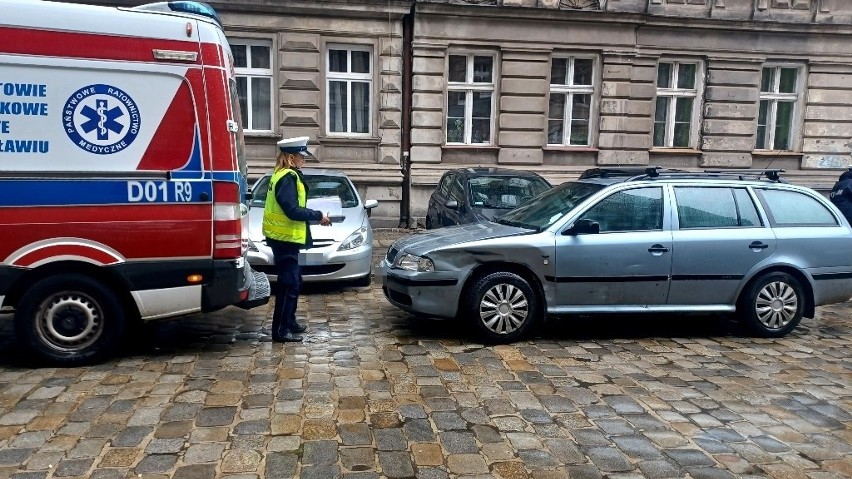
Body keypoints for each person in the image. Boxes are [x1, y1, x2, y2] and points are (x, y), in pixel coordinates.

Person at [262, 136, 331, 342]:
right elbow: (292, 210)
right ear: (291, 158)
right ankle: (280, 330)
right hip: (284, 239)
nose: (304, 160)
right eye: (302, 156)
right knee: (288, 283)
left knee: (294, 281)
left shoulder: (284, 175)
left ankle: (289, 321)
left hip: (285, 238)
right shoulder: (287, 177)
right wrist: (318, 215)